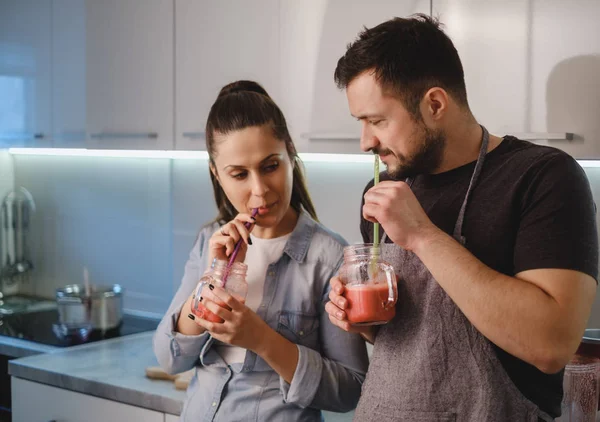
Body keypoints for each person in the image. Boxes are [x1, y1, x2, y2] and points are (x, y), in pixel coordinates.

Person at [325, 14, 598, 422]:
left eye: (378, 121)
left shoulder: (543, 178)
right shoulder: (384, 188)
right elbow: (407, 344)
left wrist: (422, 235)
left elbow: (550, 344)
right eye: (361, 123)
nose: (367, 142)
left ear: (435, 104)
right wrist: (361, 318)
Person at [154, 80, 368, 422]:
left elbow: (350, 390)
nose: (260, 190)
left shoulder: (330, 258)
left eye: (270, 166)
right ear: (216, 174)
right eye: (239, 174)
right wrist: (212, 280)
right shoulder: (208, 242)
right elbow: (170, 358)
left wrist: (261, 340)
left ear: (290, 155)